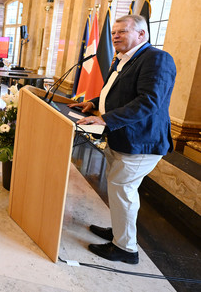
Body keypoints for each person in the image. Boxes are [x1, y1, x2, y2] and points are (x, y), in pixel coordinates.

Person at [69, 14, 177, 265]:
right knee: (120, 191)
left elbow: (148, 101)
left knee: (123, 191)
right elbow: (116, 94)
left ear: (142, 34)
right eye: (114, 32)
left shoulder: (156, 59)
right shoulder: (124, 60)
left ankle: (126, 249)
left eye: (122, 32)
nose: (115, 36)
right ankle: (119, 231)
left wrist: (105, 120)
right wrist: (93, 103)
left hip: (141, 142)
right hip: (122, 138)